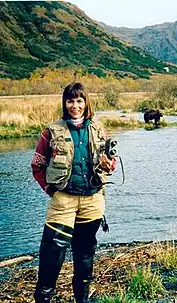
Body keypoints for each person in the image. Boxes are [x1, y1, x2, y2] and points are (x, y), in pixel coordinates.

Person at [31, 82, 116, 303]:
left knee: (85, 252)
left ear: (86, 102)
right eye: (70, 100)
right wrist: (51, 190)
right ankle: (43, 298)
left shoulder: (99, 128)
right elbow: (37, 165)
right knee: (52, 251)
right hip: (63, 200)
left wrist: (109, 165)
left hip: (93, 200)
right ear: (65, 103)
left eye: (79, 100)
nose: (75, 105)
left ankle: (82, 300)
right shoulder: (51, 131)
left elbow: (111, 162)